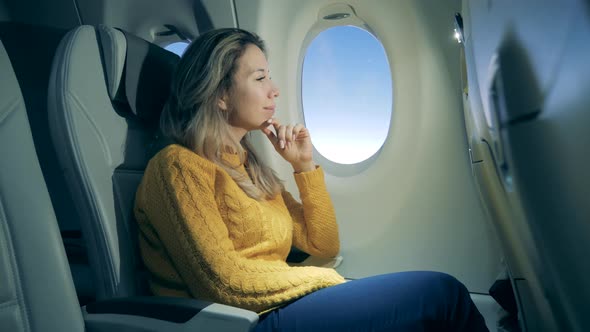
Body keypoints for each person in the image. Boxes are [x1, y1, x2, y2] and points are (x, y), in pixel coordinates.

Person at [134, 28, 489, 332]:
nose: (274, 90)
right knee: (444, 296)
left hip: (276, 306)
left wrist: (303, 167)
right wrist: (325, 282)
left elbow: (323, 247)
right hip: (241, 322)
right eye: (260, 78)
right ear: (221, 95)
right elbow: (223, 284)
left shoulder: (248, 166)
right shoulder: (177, 167)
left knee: (437, 300)